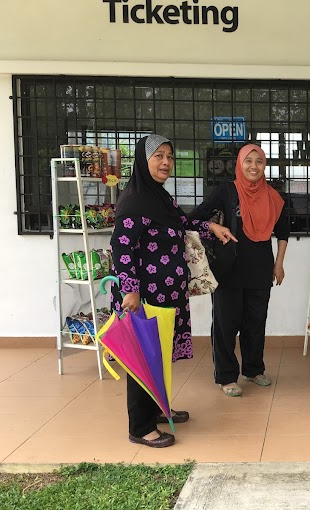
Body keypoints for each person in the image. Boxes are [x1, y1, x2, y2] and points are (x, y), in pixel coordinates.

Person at [110, 134, 223, 448]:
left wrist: (210, 227)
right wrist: (130, 291)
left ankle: (158, 408)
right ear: (143, 161)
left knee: (157, 356)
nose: (165, 162)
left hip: (168, 296)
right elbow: (121, 249)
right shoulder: (134, 202)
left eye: (170, 157)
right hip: (143, 298)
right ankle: (140, 427)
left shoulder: (160, 198)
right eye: (158, 156)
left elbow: (183, 222)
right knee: (143, 358)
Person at [191, 144, 289, 397]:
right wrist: (213, 227)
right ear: (240, 164)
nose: (253, 166)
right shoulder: (226, 190)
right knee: (226, 324)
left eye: (259, 161)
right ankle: (226, 376)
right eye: (248, 161)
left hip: (260, 268)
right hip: (228, 269)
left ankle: (253, 369)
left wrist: (279, 264)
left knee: (255, 323)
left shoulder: (273, 196)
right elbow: (195, 217)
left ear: (264, 165)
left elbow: (283, 232)